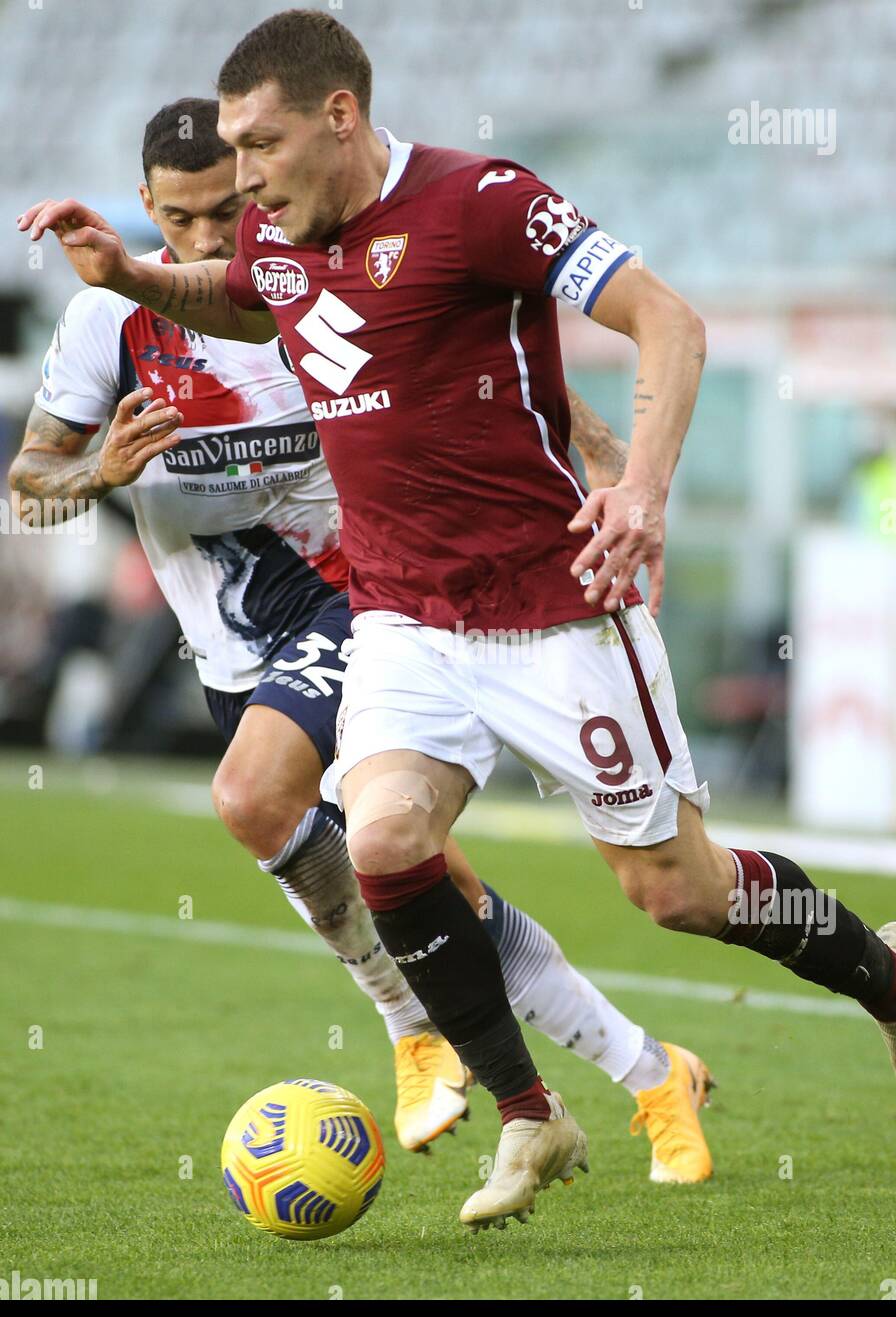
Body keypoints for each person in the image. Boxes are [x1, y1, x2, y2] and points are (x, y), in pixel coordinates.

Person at [20, 10, 896, 1234]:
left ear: (339, 117)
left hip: (549, 608)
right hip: (405, 618)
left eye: (260, 142)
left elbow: (667, 321)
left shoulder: (481, 203)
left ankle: (895, 986)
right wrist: (136, 277)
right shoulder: (275, 231)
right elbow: (255, 299)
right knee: (384, 839)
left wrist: (642, 489)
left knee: (674, 890)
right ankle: (531, 1111)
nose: (240, 174)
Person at [10, 98, 716, 1188]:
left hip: (364, 603)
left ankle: (407, 1025)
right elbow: (30, 493)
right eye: (183, 220)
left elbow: (474, 364)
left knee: (252, 797)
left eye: (227, 212)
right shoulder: (109, 322)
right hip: (232, 654)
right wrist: (92, 475)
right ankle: (650, 1069)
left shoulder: (294, 289)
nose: (211, 241)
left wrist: (590, 440)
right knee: (442, 890)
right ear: (145, 209)